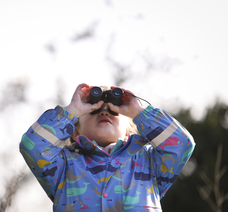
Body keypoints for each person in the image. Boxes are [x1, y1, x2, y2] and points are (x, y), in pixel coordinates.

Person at [20, 83, 195, 212]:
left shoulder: (148, 162)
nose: (104, 112)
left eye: (113, 111)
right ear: (74, 131)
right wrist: (72, 110)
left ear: (128, 130)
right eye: (93, 110)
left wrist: (139, 112)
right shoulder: (64, 166)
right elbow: (32, 144)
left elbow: (182, 143)